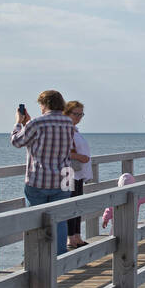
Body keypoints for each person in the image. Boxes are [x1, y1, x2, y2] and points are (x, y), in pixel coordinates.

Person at [11, 89, 76, 256]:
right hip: (64, 178)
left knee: (35, 221)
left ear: (45, 104)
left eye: (40, 104)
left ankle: (36, 258)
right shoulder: (68, 123)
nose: (40, 107)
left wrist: (19, 122)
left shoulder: (37, 124)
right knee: (60, 220)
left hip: (39, 178)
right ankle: (58, 258)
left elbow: (17, 141)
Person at [64, 101, 91, 248]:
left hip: (78, 173)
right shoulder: (65, 129)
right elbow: (61, 151)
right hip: (68, 172)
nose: (79, 117)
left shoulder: (74, 129)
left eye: (81, 114)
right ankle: (70, 238)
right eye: (76, 114)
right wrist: (79, 157)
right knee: (70, 205)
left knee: (78, 204)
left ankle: (77, 236)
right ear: (66, 113)